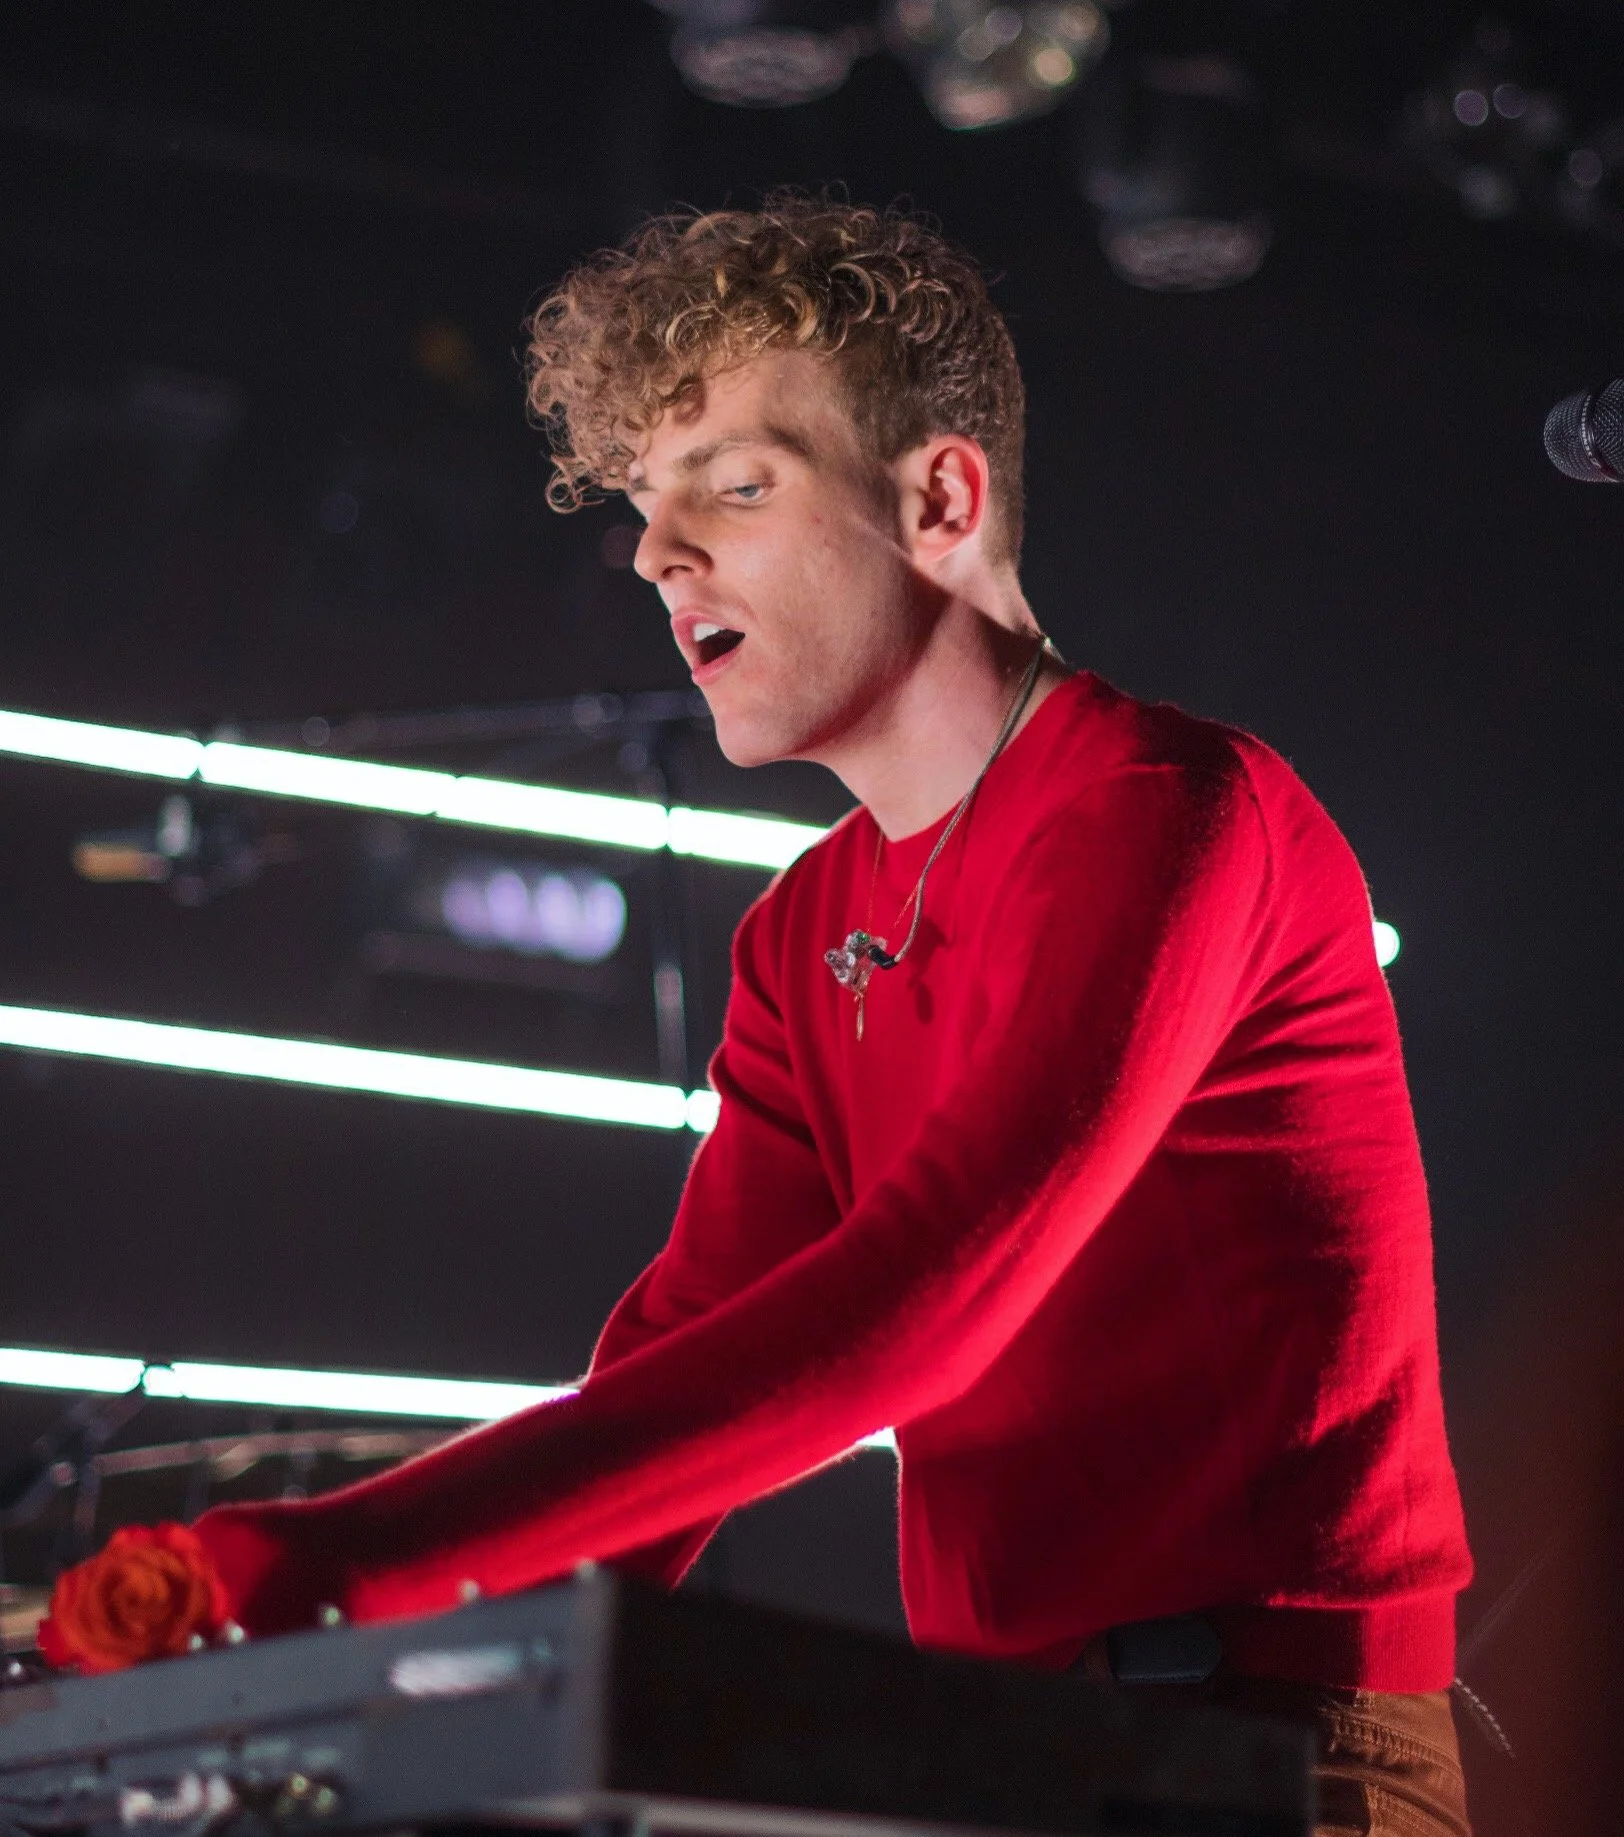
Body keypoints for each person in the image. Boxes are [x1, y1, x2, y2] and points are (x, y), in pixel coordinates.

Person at [192, 199, 1473, 1835]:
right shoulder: (803, 930)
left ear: (939, 499)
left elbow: (928, 1298)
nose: (658, 554)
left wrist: (351, 1564)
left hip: (1278, 1743)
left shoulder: (1169, 808)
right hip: (1005, 1754)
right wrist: (365, 1666)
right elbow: (683, 1359)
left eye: (734, 486)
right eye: (646, 505)